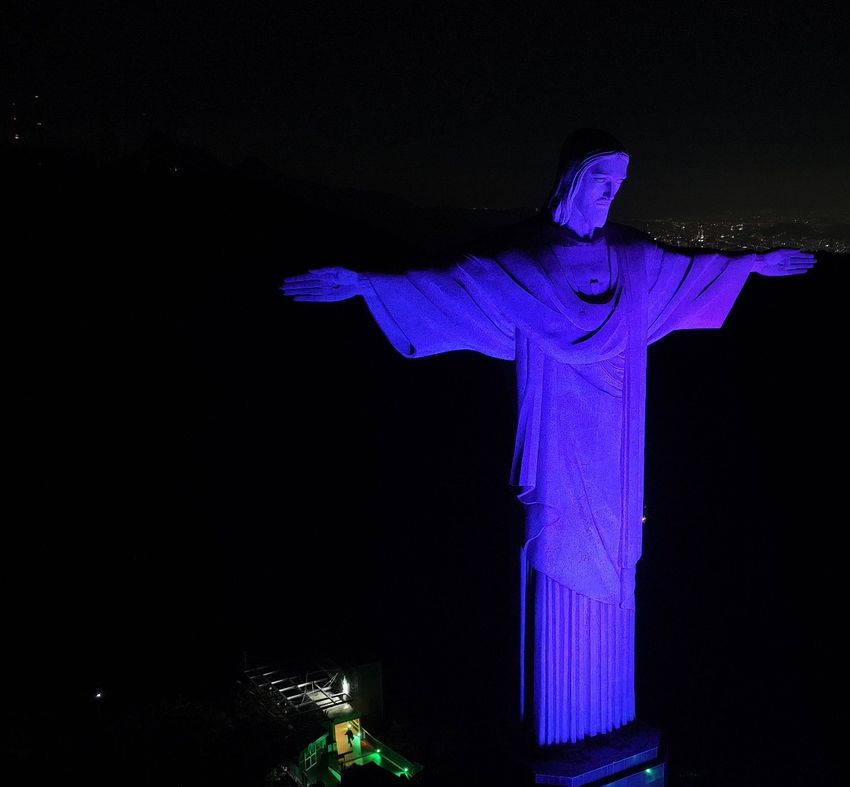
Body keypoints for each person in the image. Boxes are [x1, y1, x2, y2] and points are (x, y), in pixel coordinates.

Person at [282, 129, 815, 746]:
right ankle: (556, 738)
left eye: (618, 185)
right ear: (571, 181)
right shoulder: (526, 260)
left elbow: (688, 273)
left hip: (618, 450)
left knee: (615, 567)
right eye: (600, 181)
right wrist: (369, 285)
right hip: (559, 442)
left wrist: (752, 265)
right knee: (556, 552)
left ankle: (600, 731)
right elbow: (453, 282)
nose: (610, 195)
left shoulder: (633, 258)